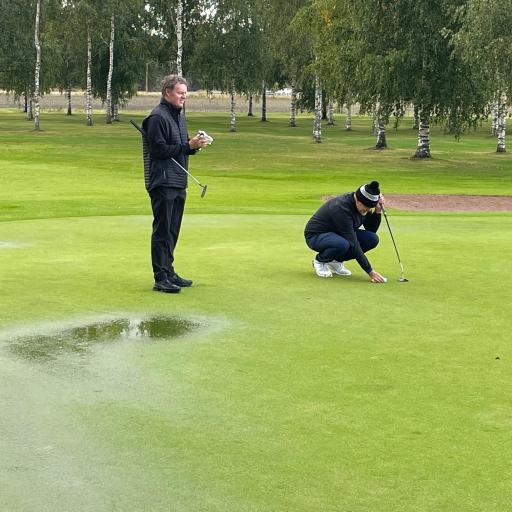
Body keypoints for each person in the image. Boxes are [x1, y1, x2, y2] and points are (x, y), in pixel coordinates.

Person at [142, 75, 209, 293]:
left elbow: (180, 147)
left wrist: (194, 146)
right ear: (167, 93)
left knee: (172, 230)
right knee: (162, 230)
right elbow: (158, 151)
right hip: (162, 181)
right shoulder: (156, 118)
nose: (184, 97)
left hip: (178, 181)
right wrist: (185, 146)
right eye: (180, 93)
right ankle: (160, 277)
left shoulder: (178, 116)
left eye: (185, 93)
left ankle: (169, 271)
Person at [304, 181, 387, 283]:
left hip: (338, 235)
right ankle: (320, 261)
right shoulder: (341, 208)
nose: (367, 210)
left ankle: (335, 261)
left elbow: (371, 230)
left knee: (372, 239)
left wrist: (377, 211)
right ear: (358, 200)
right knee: (343, 244)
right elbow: (353, 243)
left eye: (370, 208)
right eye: (366, 207)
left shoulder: (364, 204)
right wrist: (370, 271)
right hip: (316, 236)